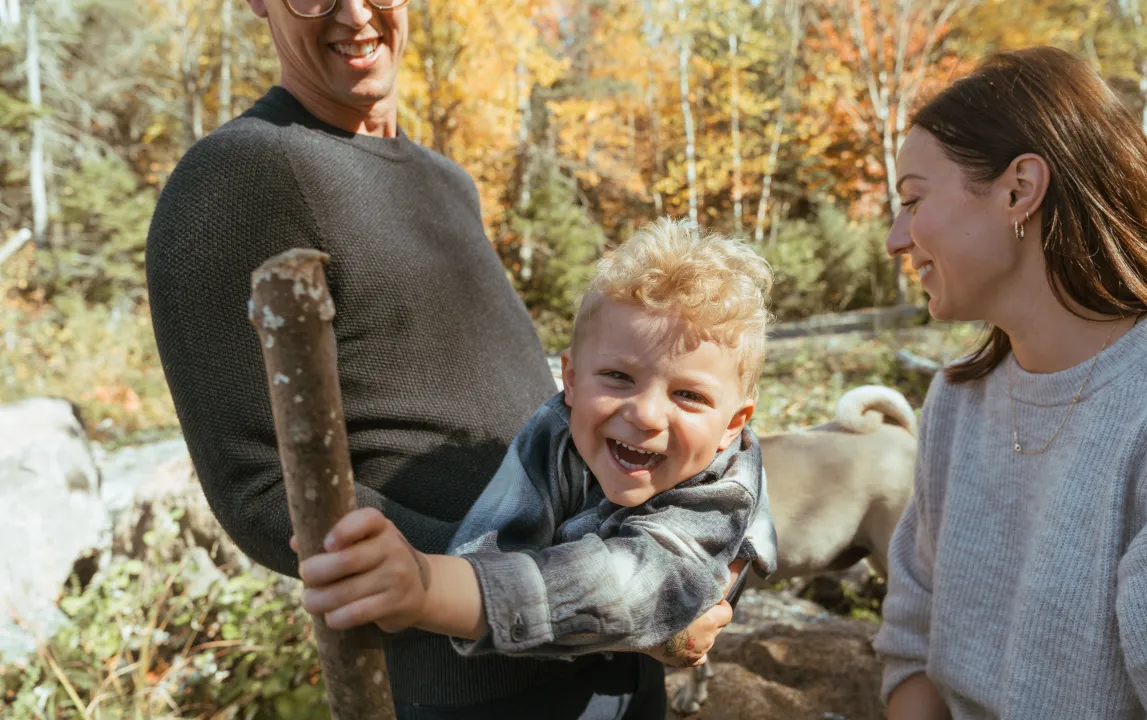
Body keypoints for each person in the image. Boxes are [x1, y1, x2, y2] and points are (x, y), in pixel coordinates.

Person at [143, 0, 734, 717]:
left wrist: (644, 585)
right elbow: (263, 488)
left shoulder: (446, 182)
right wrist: (564, 600)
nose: (356, 13)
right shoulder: (237, 178)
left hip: (605, 667)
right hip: (471, 689)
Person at [875, 46, 1147, 720]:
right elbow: (911, 644)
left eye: (913, 200)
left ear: (1019, 190)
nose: (895, 240)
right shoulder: (958, 401)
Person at [294, 218, 778, 668]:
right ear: (570, 380)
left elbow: (635, 585)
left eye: (689, 395)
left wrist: (428, 590)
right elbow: (492, 542)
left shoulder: (722, 493)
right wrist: (423, 581)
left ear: (733, 423)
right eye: (617, 377)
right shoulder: (557, 429)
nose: (646, 414)